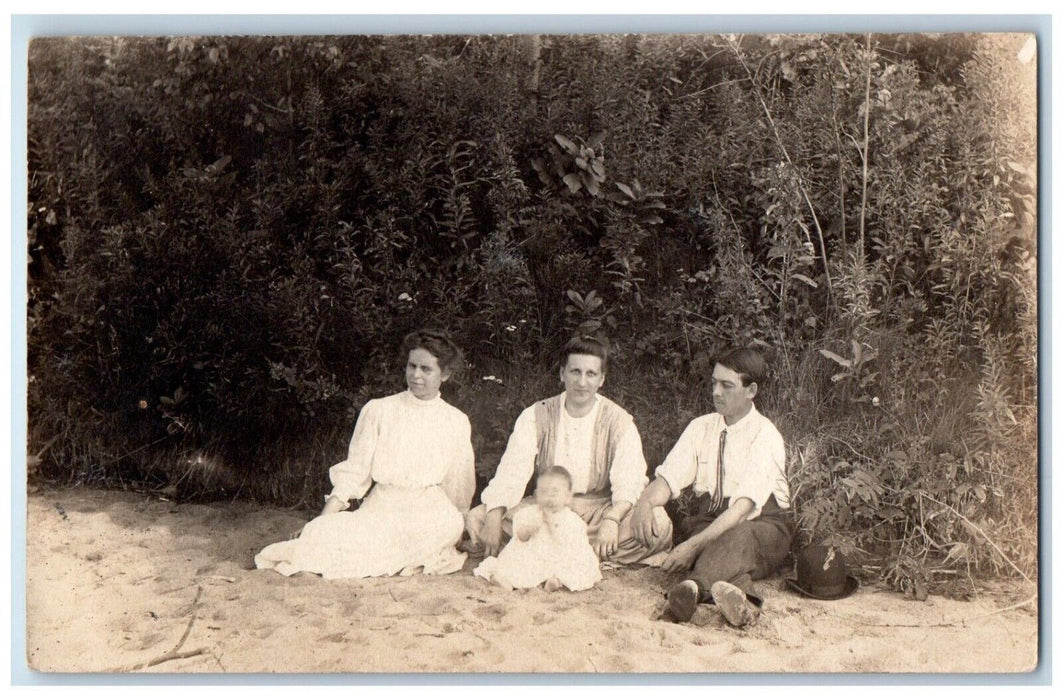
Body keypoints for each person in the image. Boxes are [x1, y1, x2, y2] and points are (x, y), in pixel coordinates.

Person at [255, 329, 475, 579]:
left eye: (426, 369)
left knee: (442, 527)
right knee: (336, 537)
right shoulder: (379, 410)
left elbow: (459, 483)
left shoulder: (455, 421)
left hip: (428, 513)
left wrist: (461, 524)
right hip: (384, 507)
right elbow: (355, 471)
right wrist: (322, 521)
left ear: (445, 374)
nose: (415, 375)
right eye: (411, 366)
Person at [465, 336, 672, 565]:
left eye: (591, 374)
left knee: (658, 524)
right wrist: (494, 517)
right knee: (478, 519)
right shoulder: (536, 415)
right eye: (575, 372)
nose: (582, 382)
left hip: (599, 513)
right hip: (547, 505)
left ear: (601, 379)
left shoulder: (619, 421)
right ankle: (583, 557)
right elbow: (512, 472)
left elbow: (630, 481)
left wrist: (612, 519)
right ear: (562, 373)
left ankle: (547, 555)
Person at [630, 347, 792, 627]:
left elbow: (742, 511)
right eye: (714, 382)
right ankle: (743, 599)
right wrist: (645, 502)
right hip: (710, 521)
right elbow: (669, 479)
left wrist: (691, 547)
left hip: (763, 527)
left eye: (726, 385)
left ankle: (689, 591)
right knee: (710, 538)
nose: (716, 392)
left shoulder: (766, 435)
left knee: (734, 538)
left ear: (751, 390)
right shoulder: (700, 427)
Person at [473, 466, 602, 592]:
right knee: (516, 568)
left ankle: (554, 581)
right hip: (533, 556)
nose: (549, 498)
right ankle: (503, 580)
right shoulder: (530, 514)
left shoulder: (571, 519)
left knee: (573, 568)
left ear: (568, 497)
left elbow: (574, 543)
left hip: (558, 557)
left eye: (555, 493)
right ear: (536, 494)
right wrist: (530, 528)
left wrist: (553, 526)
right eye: (544, 492)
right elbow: (520, 536)